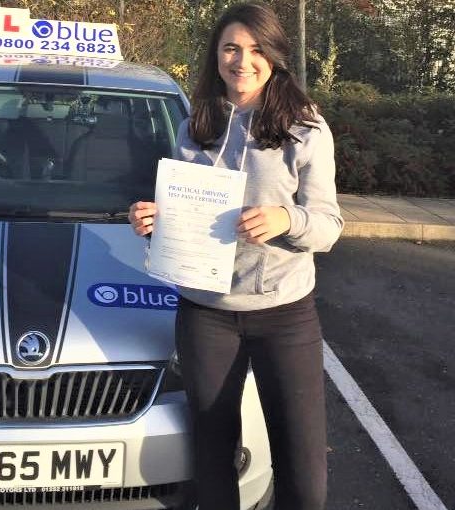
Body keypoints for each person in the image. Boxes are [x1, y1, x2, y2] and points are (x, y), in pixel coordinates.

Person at [128, 2, 343, 509]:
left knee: (304, 470)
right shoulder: (193, 126)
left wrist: (286, 220)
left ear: (274, 57)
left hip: (284, 315)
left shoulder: (305, 128)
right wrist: (153, 223)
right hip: (206, 315)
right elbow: (183, 219)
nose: (241, 61)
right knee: (212, 458)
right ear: (216, 55)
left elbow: (330, 226)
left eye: (254, 49)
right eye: (230, 48)